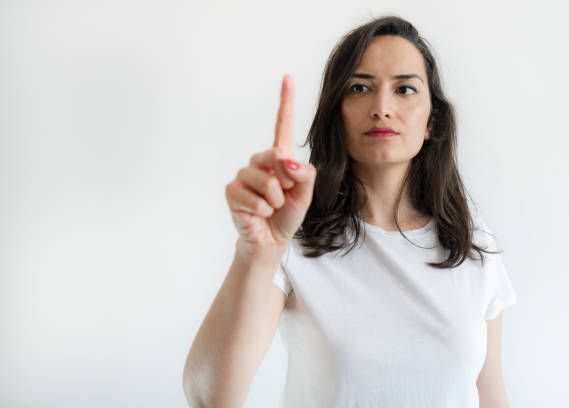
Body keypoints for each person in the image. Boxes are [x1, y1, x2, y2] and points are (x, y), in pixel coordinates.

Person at [183, 15, 518, 408]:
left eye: (405, 89)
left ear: (432, 122)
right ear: (336, 113)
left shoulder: (471, 243)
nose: (381, 107)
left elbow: (489, 394)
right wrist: (256, 254)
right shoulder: (293, 239)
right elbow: (208, 397)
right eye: (360, 88)